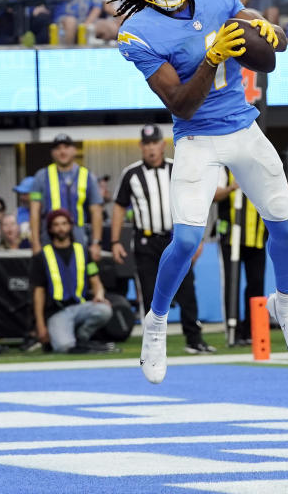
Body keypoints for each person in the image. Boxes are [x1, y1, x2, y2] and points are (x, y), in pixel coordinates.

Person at [111, 0, 288, 383]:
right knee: (184, 241)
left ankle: (286, 303)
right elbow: (179, 104)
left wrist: (271, 30)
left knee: (284, 225)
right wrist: (212, 58)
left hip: (243, 126)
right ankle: (156, 323)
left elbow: (267, 39)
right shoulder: (137, 32)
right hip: (197, 138)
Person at [111, 125, 215, 355]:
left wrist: (197, 239)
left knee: (187, 289)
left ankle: (194, 339)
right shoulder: (131, 173)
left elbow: (194, 202)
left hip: (175, 239)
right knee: (150, 292)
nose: (150, 148)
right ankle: (153, 344)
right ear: (141, 146)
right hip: (146, 242)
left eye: (154, 143)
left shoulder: (176, 168)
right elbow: (119, 206)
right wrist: (115, 241)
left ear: (162, 144)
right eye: (146, 144)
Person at [31, 208, 113, 353]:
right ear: (50, 228)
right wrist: (41, 325)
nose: (61, 228)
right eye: (56, 225)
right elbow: (38, 293)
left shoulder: (82, 251)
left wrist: (99, 295)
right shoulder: (42, 256)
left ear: (70, 226)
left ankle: (82, 338)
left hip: (80, 306)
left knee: (104, 310)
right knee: (63, 347)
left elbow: (95, 279)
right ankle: (68, 339)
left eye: (64, 223)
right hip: (57, 310)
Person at [214, 166, 267, 346]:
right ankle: (233, 329)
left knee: (256, 283)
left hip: (257, 236)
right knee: (232, 283)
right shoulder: (225, 169)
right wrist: (231, 188)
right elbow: (214, 195)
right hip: (231, 237)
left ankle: (252, 330)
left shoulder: (262, 167)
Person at [29, 134, 103, 259]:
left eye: (66, 147)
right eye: (58, 148)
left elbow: (96, 211)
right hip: (49, 238)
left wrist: (96, 243)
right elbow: (34, 211)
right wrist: (35, 243)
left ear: (74, 150)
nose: (62, 151)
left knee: (80, 273)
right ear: (52, 153)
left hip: (79, 237)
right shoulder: (41, 176)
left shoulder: (88, 176)